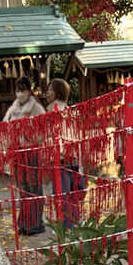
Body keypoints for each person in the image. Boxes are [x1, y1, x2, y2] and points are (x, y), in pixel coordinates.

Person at [3, 78, 46, 236]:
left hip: (32, 152)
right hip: (17, 153)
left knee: (33, 188)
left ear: (29, 91)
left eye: (23, 90)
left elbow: (44, 132)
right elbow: (4, 128)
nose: (20, 93)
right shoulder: (12, 109)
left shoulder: (37, 109)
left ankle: (35, 223)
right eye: (17, 90)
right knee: (23, 189)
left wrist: (27, 136)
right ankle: (24, 223)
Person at [46, 77, 85, 228]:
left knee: (63, 192)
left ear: (58, 92)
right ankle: (73, 221)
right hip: (72, 155)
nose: (47, 93)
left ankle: (67, 225)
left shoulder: (52, 112)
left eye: (50, 89)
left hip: (61, 157)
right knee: (73, 192)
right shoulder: (70, 111)